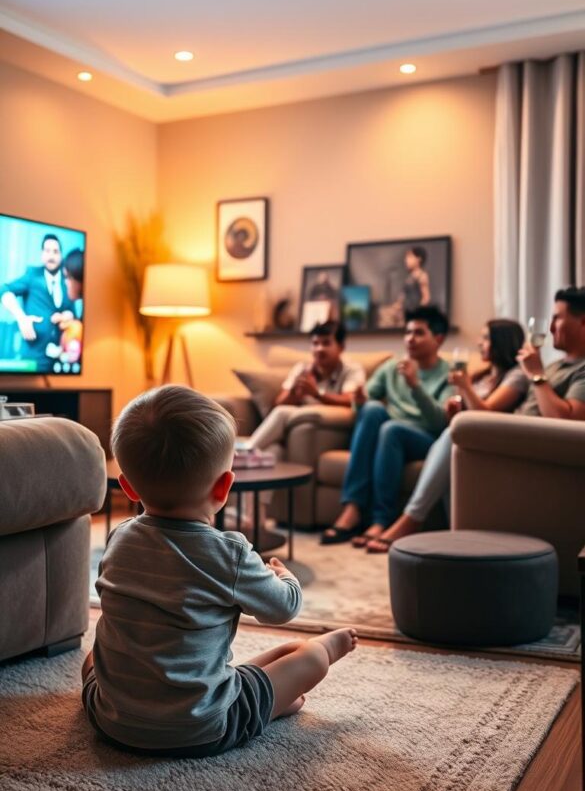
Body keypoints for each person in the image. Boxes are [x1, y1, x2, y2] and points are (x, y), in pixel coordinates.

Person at [82, 385, 358, 757]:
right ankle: (317, 658)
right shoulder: (229, 554)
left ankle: (270, 699)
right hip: (202, 728)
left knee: (91, 660)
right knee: (307, 656)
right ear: (225, 485)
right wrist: (283, 575)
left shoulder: (118, 538)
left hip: (111, 720)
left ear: (128, 487)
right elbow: (282, 608)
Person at [366, 318, 528, 552]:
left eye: (485, 338)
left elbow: (487, 413)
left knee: (451, 435)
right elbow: (461, 417)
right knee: (449, 439)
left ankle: (412, 518)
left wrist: (465, 388)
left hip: (489, 443)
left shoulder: (516, 376)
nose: (479, 343)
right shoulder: (482, 375)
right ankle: (453, 537)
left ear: (500, 343)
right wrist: (454, 410)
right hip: (463, 440)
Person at [321, 305, 452, 547]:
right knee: (372, 410)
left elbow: (440, 422)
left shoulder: (449, 373)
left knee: (391, 429)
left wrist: (415, 387)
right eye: (408, 332)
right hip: (390, 434)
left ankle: (382, 519)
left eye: (419, 333)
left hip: (427, 439)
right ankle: (353, 508)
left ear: (439, 339)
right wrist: (359, 402)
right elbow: (363, 402)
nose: (410, 339)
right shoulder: (392, 367)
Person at [247, 320, 365, 452]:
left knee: (282, 413)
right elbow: (278, 404)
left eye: (326, 343)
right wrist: (294, 392)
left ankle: (244, 451)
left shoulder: (352, 369)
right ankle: (243, 456)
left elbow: (350, 400)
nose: (319, 349)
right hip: (297, 424)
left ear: (341, 347)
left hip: (330, 425)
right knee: (275, 452)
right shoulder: (302, 369)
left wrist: (316, 393)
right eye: (315, 343)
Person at [0, 232, 72, 371]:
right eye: (47, 251)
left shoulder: (67, 282)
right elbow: (3, 290)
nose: (51, 255)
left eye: (56, 251)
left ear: (61, 255)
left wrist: (67, 316)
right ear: (42, 254)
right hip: (33, 360)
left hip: (61, 363)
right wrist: (21, 318)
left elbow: (73, 313)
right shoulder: (32, 276)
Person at [514, 286, 585, 419]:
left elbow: (568, 423)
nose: (551, 329)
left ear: (583, 322)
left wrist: (537, 374)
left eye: (557, 319)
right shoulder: (554, 366)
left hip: (528, 438)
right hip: (511, 430)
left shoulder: (581, 369)